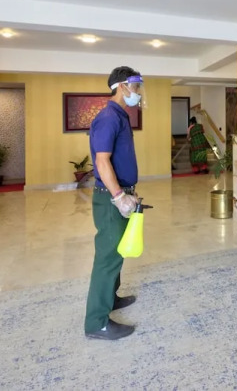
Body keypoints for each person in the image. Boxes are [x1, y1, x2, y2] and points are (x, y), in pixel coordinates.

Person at [84, 66, 143, 340]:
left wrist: (128, 192)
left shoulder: (120, 115)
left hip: (121, 193)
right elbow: (102, 160)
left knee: (118, 250)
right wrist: (119, 196)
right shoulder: (108, 117)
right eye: (136, 86)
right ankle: (97, 323)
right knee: (107, 257)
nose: (138, 92)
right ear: (122, 86)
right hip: (110, 199)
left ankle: (111, 296)